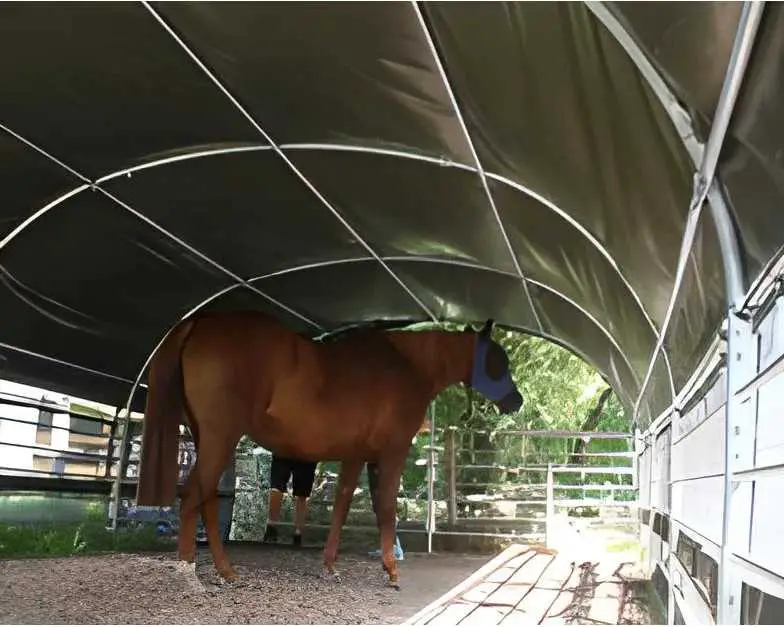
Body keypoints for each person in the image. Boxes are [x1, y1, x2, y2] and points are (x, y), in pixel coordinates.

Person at [367, 416, 431, 560]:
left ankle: (393, 547)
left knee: (384, 506)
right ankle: (389, 546)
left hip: (384, 466)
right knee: (379, 506)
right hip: (378, 463)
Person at [262, 455, 318, 547]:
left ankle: (297, 533)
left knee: (301, 494)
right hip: (288, 449)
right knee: (276, 488)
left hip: (306, 451)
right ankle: (272, 527)